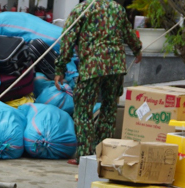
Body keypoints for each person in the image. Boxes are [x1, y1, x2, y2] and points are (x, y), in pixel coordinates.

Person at [54, 0, 142, 164]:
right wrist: (137, 49)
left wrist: (60, 68)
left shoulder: (82, 9)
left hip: (92, 67)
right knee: (109, 110)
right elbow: (129, 33)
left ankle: (85, 156)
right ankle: (104, 156)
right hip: (115, 66)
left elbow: (68, 40)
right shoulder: (118, 9)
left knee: (83, 111)